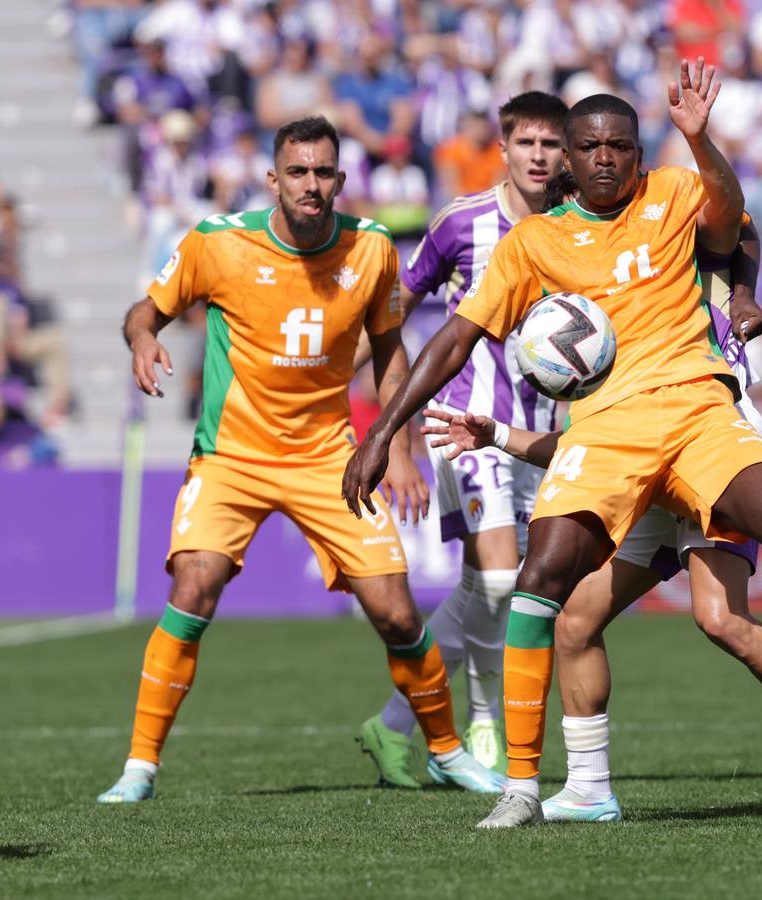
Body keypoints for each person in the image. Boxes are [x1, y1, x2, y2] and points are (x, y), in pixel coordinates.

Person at [344, 60, 762, 828]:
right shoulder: (535, 245)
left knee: (760, 564)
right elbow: (454, 338)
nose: (606, 157)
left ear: (640, 152)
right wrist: (387, 428)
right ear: (570, 160)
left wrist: (703, 148)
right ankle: (550, 785)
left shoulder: (677, 192)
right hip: (610, 434)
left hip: (696, 411)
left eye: (621, 143)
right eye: (590, 146)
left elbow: (734, 223)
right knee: (553, 592)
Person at [96, 116, 505, 803]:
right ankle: (139, 767)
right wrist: (142, 340)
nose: (311, 185)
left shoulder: (372, 250)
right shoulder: (217, 243)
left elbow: (391, 348)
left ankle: (446, 752)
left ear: (340, 180)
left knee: (399, 615)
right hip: (232, 457)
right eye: (298, 172)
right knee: (193, 585)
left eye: (323, 173)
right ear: (274, 180)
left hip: (328, 458)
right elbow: (145, 311)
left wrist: (398, 447)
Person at [418, 215, 762, 824]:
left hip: (709, 449)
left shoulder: (672, 278)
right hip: (645, 465)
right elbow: (593, 448)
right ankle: (588, 788)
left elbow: (739, 223)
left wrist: (743, 292)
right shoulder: (600, 335)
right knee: (576, 620)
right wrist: (499, 434)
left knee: (720, 619)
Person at [357, 92, 569, 782]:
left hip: (543, 437)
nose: (539, 156)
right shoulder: (461, 223)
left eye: (551, 145)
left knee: (502, 586)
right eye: (527, 143)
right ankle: (479, 724)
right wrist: (379, 416)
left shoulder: (580, 227)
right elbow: (395, 313)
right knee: (505, 578)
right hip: (463, 425)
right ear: (502, 149)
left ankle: (395, 725)